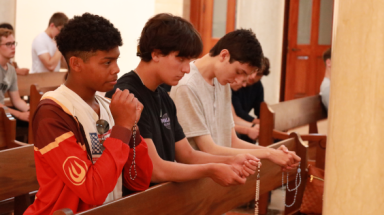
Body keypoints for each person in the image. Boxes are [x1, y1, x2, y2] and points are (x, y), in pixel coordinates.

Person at [106, 13, 259, 188]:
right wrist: (212, 169)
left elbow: (187, 154)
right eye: (180, 59)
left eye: (189, 61)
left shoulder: (164, 96)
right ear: (156, 54)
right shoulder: (127, 95)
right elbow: (155, 169)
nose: (187, 69)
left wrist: (232, 160)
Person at [25, 13, 153, 215]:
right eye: (107, 62)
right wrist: (122, 127)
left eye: (116, 60)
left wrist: (132, 127)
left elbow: (139, 181)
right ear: (76, 64)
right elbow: (92, 191)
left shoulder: (109, 106)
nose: (116, 69)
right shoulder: (53, 111)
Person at [170, 29, 300, 170]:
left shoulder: (222, 81)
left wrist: (273, 153)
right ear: (224, 55)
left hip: (221, 169)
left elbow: (231, 141)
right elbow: (209, 149)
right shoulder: (187, 85)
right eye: (238, 72)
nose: (238, 81)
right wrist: (268, 153)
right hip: (197, 174)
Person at [231, 57, 270, 143]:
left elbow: (234, 118)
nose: (253, 77)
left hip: (238, 123)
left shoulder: (258, 86)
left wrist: (257, 125)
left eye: (258, 74)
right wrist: (250, 128)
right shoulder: (228, 87)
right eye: (252, 73)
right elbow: (236, 115)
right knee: (238, 135)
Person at [0, 28, 29, 121]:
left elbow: (17, 100)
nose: (13, 47)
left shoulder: (11, 70)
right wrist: (20, 115)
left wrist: (31, 110)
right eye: (8, 44)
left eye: (13, 43)